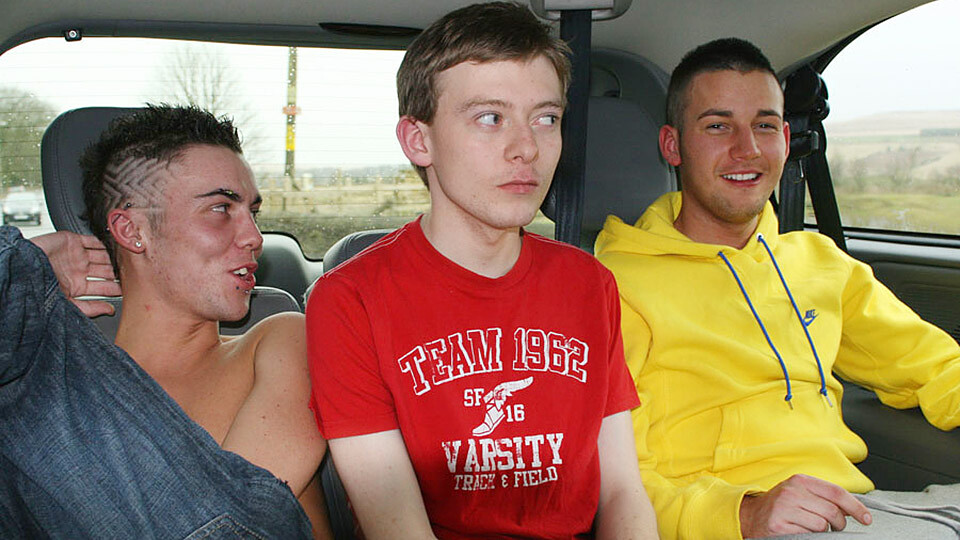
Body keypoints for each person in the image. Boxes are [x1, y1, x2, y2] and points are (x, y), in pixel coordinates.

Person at [306, 3, 658, 538]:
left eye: (546, 118)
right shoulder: (349, 299)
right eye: (490, 118)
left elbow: (622, 491)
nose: (527, 148)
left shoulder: (589, 284)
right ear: (418, 141)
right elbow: (395, 525)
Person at [595, 38, 960, 539]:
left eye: (765, 125)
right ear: (672, 145)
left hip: (858, 512)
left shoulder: (821, 264)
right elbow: (614, 480)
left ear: (786, 140)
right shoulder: (614, 286)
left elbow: (935, 367)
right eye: (718, 126)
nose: (747, 148)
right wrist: (740, 513)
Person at [1, 105, 329, 538]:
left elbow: (232, 527)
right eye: (220, 208)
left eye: (253, 213)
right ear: (131, 230)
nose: (254, 237)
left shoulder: (280, 341)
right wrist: (26, 277)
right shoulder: (51, 386)